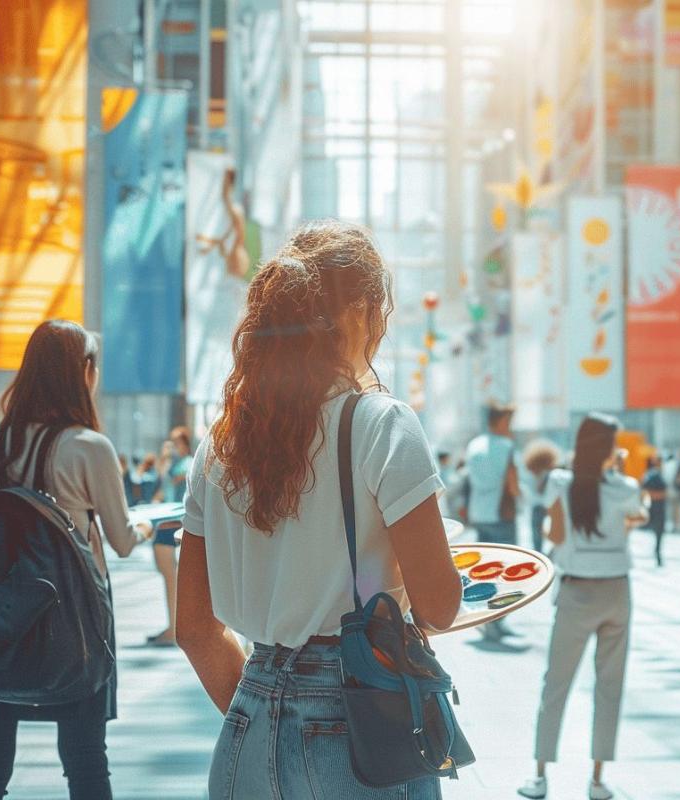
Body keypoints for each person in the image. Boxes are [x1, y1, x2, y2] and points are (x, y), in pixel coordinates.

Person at [175, 220, 462, 800]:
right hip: (359, 725)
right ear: (356, 313)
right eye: (377, 316)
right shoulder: (382, 424)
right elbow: (440, 604)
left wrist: (269, 711)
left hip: (247, 724)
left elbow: (195, 630)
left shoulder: (221, 442)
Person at [0, 319, 152, 800]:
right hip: (78, 621)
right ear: (82, 372)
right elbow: (123, 540)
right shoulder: (90, 448)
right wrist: (150, 524)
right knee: (86, 766)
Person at [518, 414, 646, 800]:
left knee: (556, 683)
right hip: (617, 593)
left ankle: (540, 775)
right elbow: (632, 520)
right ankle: (596, 780)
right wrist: (618, 472)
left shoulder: (559, 482)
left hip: (575, 593)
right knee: (610, 686)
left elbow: (554, 534)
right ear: (609, 448)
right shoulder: (626, 487)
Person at [465, 402, 522, 641]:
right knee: (507, 573)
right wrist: (520, 496)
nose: (511, 427)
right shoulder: (506, 446)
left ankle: (487, 620)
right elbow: (513, 484)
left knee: (484, 571)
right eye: (508, 422)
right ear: (500, 421)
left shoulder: (474, 445)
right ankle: (496, 621)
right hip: (501, 515)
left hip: (479, 513)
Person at [147, 427, 194, 647]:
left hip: (173, 519)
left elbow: (174, 482)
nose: (173, 447)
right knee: (168, 574)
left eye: (176, 443)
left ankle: (174, 626)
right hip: (166, 517)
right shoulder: (174, 463)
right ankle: (172, 625)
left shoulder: (186, 464)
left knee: (170, 575)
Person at [521, 439, 561, 553]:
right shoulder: (551, 473)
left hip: (537, 508)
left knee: (536, 540)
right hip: (548, 507)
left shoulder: (531, 473)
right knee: (551, 538)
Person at [641, 454, 669, 566]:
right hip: (655, 507)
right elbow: (646, 490)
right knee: (658, 532)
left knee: (659, 533)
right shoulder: (653, 475)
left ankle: (657, 554)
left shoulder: (654, 474)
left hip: (657, 507)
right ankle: (657, 554)